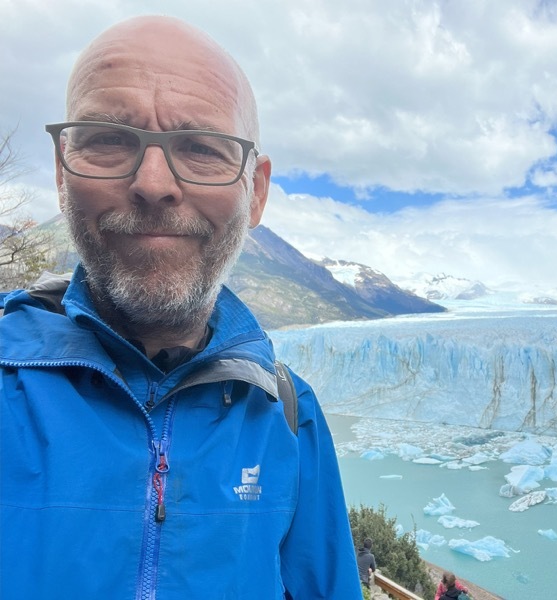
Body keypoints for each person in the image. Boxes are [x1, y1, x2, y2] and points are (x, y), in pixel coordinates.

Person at [0, 15, 361, 599]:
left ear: (257, 191)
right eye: (109, 138)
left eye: (202, 148)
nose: (152, 183)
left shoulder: (289, 419)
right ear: (62, 174)